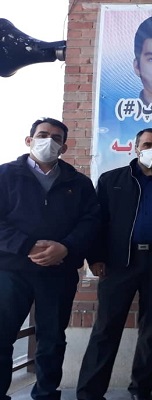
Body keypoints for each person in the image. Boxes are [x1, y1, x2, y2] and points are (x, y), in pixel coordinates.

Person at [76, 128, 152, 400]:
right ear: (135, 147)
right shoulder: (111, 180)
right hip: (118, 263)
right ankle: (89, 392)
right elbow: (97, 222)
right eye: (147, 144)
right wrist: (95, 258)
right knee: (106, 328)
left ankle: (141, 390)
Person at [0, 118, 100, 400]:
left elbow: (91, 222)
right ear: (29, 140)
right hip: (11, 271)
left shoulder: (78, 183)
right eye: (42, 135)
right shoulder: (5, 175)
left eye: (56, 138)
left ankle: (45, 394)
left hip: (58, 272)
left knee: (52, 340)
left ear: (64, 147)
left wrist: (66, 247)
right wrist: (27, 246)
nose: (49, 141)